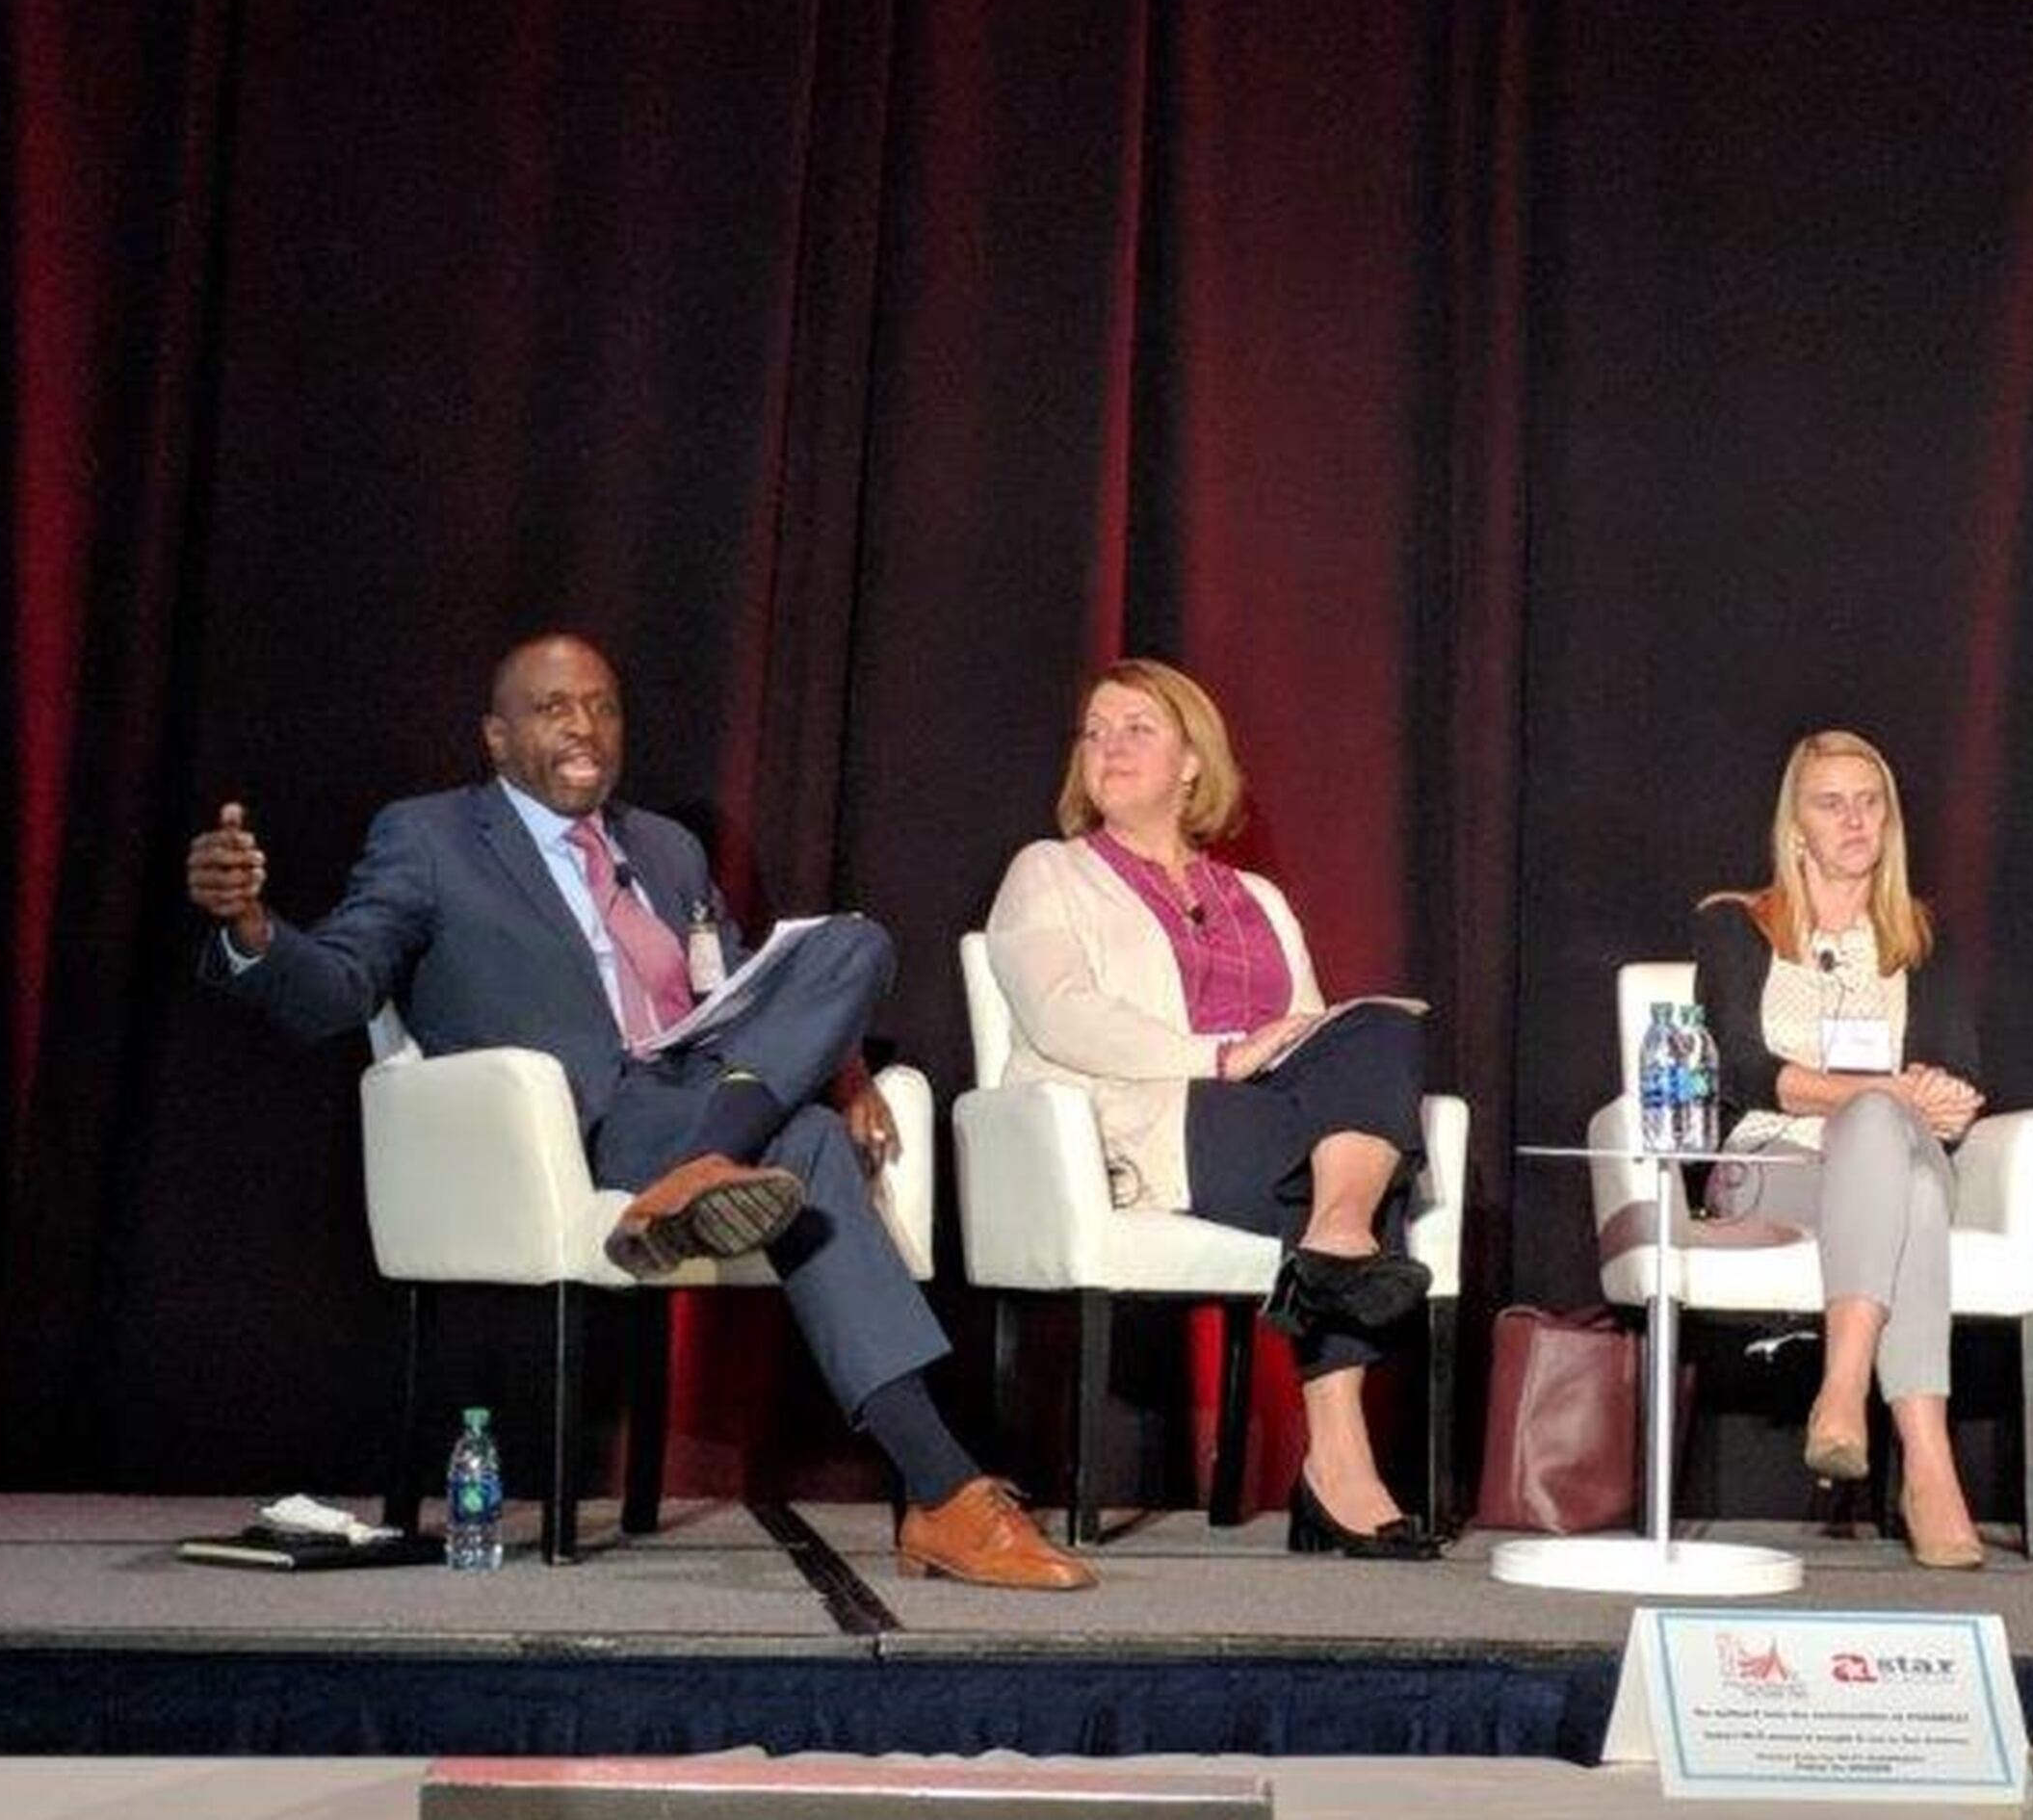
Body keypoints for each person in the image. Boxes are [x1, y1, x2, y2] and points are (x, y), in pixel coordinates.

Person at [185, 633, 1093, 1592]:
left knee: (853, 948)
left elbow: (747, 990)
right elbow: (338, 984)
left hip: (698, 1091)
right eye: (553, 708)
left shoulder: (666, 845)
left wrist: (845, 1072)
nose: (585, 727)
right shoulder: (430, 837)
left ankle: (709, 1171)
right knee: (816, 1142)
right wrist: (252, 931)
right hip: (586, 1124)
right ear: (496, 738)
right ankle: (943, 1490)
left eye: (603, 705)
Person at [980, 659, 1444, 1560]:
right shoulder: (1049, 872)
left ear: (1194, 762)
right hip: (1145, 1118)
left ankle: (1334, 1244)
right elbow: (1063, 1016)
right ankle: (1340, 1457)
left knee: (1380, 1032)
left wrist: (1302, 1049)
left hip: (1266, 1124)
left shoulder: (1258, 898)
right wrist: (1220, 1056)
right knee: (1342, 1171)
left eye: (1136, 729)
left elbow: (1314, 1032)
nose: (1108, 747)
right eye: (1095, 731)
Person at [1686, 729, 1992, 1569]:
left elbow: (1961, 1072)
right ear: (1797, 827)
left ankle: (1843, 1392)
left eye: (1870, 801)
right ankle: (1928, 1469)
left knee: (1886, 1144)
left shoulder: (1925, 937)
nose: (1854, 820)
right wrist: (1887, 1091)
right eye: (1832, 803)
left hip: (1896, 1152)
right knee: (1900, 1167)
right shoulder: (1736, 926)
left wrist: (1939, 1098)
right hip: (1773, 1168)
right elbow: (1742, 1071)